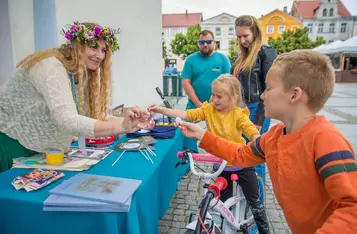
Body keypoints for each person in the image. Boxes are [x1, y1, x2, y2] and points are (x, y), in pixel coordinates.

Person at [177, 50, 357, 234]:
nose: (262, 96)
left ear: (294, 95)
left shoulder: (326, 140)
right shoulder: (274, 137)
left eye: (269, 88)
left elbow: (353, 207)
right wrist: (202, 135)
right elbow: (240, 154)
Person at [0, 22, 153, 173]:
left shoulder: (78, 74)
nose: (99, 55)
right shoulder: (51, 66)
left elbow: (95, 116)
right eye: (94, 46)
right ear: (77, 45)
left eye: (103, 50)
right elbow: (68, 120)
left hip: (41, 150)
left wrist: (133, 123)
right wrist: (122, 127)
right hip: (10, 143)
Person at [149, 74, 270, 234]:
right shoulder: (208, 110)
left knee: (254, 201)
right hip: (221, 165)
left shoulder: (239, 114)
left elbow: (250, 129)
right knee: (222, 202)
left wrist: (257, 140)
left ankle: (264, 230)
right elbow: (188, 115)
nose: (214, 99)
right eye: (213, 94)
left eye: (219, 96)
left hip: (241, 163)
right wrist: (161, 109)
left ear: (233, 97)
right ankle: (225, 226)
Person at [231, 15, 278, 184]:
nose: (242, 40)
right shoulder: (242, 57)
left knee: (256, 157)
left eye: (246, 36)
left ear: (255, 33)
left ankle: (257, 204)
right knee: (244, 155)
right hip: (241, 110)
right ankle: (245, 199)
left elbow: (270, 89)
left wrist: (259, 119)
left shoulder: (266, 53)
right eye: (239, 37)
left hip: (257, 108)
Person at [180, 29, 231, 152]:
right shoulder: (191, 60)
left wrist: (217, 101)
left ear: (214, 43)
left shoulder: (222, 59)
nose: (205, 45)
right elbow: (185, 82)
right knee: (186, 128)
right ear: (198, 43)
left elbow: (228, 82)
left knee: (221, 133)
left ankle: (221, 159)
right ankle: (189, 158)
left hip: (218, 105)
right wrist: (198, 103)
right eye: (202, 42)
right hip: (194, 104)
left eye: (208, 41)